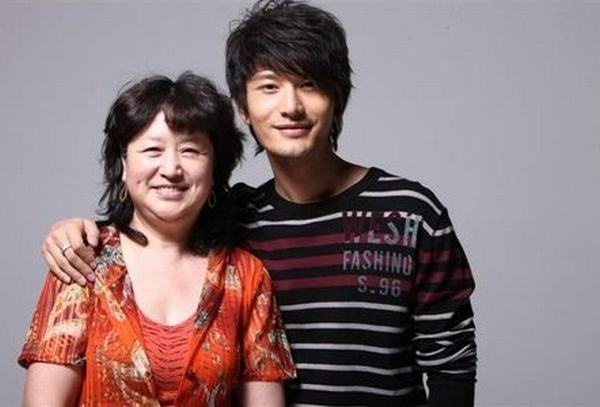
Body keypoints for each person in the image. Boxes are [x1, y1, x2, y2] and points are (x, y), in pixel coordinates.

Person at [40, 1, 477, 405]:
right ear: (243, 108)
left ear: (338, 98)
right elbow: (154, 227)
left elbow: (452, 367)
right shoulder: (234, 219)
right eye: (269, 86)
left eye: (309, 85)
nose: (291, 106)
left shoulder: (410, 213)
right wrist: (76, 234)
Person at [20, 72, 296, 406]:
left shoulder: (246, 276)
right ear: (124, 164)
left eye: (191, 150)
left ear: (215, 171)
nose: (171, 168)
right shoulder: (82, 263)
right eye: (152, 150)